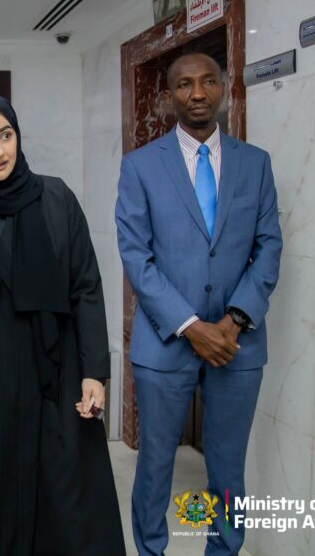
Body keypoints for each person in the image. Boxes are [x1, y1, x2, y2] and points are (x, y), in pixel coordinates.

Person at [0, 93, 125, 555]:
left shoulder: (56, 199)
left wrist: (94, 370)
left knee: (66, 500)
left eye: (6, 135)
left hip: (55, 372)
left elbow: (86, 286)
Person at [115, 52, 282, 556]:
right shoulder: (141, 166)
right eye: (185, 84)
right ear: (169, 97)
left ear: (224, 88)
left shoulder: (255, 163)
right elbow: (136, 256)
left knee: (227, 467)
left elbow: (269, 246)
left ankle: (222, 549)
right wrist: (191, 326)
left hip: (237, 344)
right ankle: (151, 550)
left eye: (208, 81)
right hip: (165, 342)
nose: (197, 93)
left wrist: (233, 321)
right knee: (156, 465)